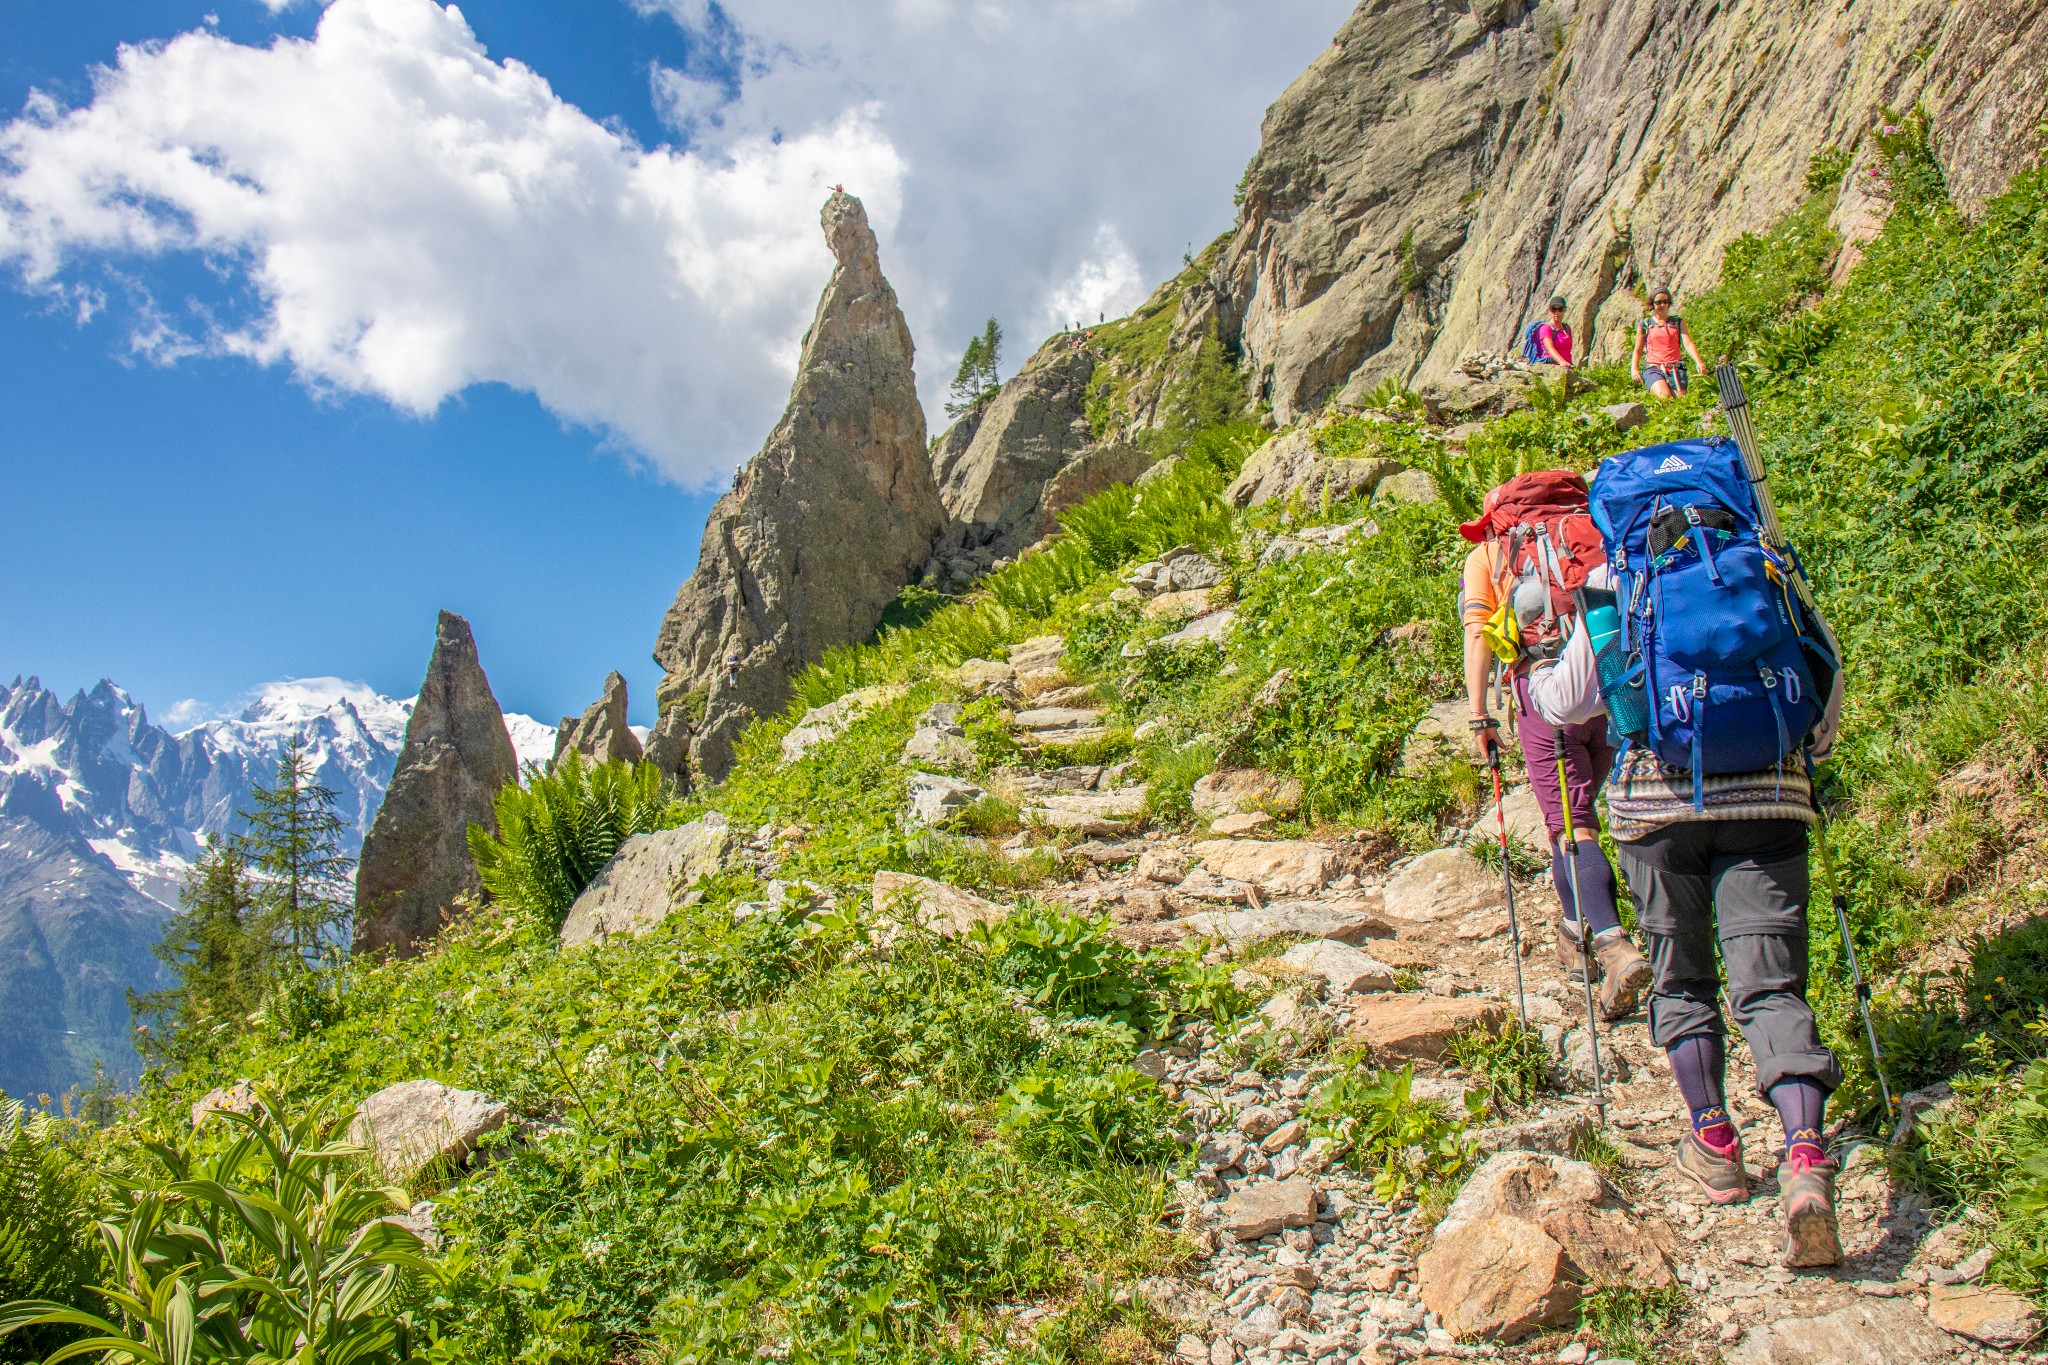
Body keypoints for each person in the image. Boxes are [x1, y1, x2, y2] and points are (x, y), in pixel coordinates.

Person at [1526, 567, 1847, 1267]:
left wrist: (1541, 670)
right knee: (1773, 986)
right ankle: (1804, 1154)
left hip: (1657, 809)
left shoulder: (1620, 575)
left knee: (1682, 976)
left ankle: (1715, 1141)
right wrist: (1802, 754)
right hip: (1770, 797)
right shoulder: (1761, 559)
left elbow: (1565, 703)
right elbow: (1823, 675)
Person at [1458, 480, 1655, 1019]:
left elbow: (1478, 633)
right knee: (1605, 811)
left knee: (1570, 822)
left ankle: (1614, 947)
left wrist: (1480, 714)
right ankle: (1575, 932)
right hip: (1615, 682)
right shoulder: (1589, 535)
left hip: (1546, 692)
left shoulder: (1491, 554)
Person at [1632, 287, 1705, 398]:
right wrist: (1634, 369)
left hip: (1676, 368)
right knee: (1664, 396)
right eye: (1658, 302)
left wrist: (1699, 361)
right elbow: (1638, 350)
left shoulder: (1677, 322)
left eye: (1665, 301)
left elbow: (1688, 343)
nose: (1662, 305)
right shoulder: (1646, 324)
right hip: (1653, 368)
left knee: (1681, 400)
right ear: (1652, 304)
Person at [1537, 296, 1574, 368]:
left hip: (1567, 365)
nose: (1557, 313)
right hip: (1551, 365)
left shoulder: (1566, 328)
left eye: (1560, 309)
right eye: (1554, 309)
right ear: (1550, 310)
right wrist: (1561, 361)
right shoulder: (1546, 328)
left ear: (1564, 310)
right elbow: (1549, 348)